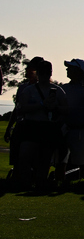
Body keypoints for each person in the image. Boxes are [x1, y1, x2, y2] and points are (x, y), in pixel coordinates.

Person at [12, 60, 67, 189]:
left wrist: (55, 108)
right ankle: (26, 182)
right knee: (24, 155)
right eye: (41, 72)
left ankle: (40, 183)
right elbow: (22, 108)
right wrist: (41, 105)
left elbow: (66, 110)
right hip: (31, 126)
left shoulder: (58, 91)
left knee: (45, 158)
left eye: (46, 72)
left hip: (47, 127)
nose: (44, 75)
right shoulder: (29, 90)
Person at [59, 59, 84, 184]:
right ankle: (60, 184)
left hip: (81, 129)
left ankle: (83, 184)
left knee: (82, 162)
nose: (67, 70)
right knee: (60, 160)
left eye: (70, 68)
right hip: (65, 128)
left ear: (78, 71)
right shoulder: (64, 88)